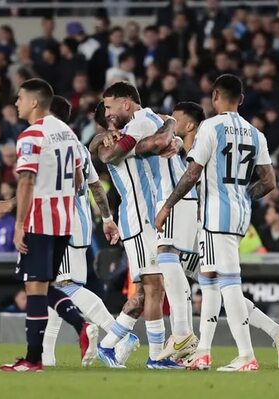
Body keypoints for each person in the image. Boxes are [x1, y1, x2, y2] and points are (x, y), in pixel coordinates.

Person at [155, 74, 279, 371]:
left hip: (215, 215)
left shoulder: (211, 127)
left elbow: (193, 173)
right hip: (239, 214)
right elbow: (268, 182)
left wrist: (168, 205)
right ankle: (204, 351)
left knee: (228, 283)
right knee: (210, 282)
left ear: (215, 95)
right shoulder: (256, 134)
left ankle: (246, 356)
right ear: (241, 99)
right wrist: (242, 196)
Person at [0, 95, 128, 367]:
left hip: (55, 221)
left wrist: (13, 206)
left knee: (63, 286)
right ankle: (45, 357)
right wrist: (107, 218)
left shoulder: (45, 140)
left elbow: (40, 186)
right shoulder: (74, 143)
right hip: (78, 222)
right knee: (52, 287)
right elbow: (90, 184)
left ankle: (116, 334)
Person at [0, 78, 99, 373]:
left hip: (39, 221)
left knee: (34, 288)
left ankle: (33, 358)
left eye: (19, 98)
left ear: (33, 102)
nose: (16, 104)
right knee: (43, 286)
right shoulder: (68, 133)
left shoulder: (31, 135)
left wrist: (18, 224)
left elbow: (26, 180)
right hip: (64, 221)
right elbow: (79, 180)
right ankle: (79, 327)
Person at [89, 82, 184, 369]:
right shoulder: (141, 124)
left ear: (125, 104)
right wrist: (171, 126)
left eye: (109, 107)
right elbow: (103, 153)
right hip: (136, 218)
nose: (109, 114)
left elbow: (156, 143)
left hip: (148, 216)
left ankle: (107, 345)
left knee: (149, 290)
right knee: (154, 286)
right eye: (105, 112)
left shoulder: (140, 123)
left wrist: (172, 135)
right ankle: (157, 357)